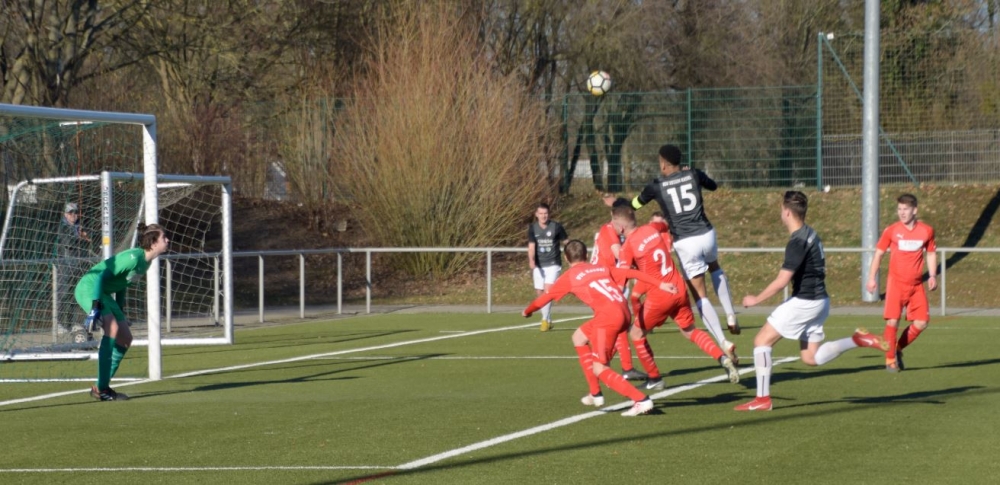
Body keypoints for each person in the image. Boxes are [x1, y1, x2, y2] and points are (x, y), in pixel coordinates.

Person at [736, 191, 888, 411]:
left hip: (805, 302)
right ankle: (857, 340)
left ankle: (762, 399)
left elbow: (782, 281)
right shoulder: (811, 233)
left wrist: (755, 299)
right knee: (811, 357)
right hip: (820, 302)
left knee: (761, 341)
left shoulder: (797, 241)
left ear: (787, 212)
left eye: (781, 209)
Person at [522, 239, 679, 417]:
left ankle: (641, 400)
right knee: (578, 337)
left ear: (566, 258)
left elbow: (545, 298)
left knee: (600, 368)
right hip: (623, 312)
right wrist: (660, 284)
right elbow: (631, 272)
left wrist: (528, 311)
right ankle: (595, 393)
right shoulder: (600, 268)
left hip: (607, 318)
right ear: (586, 255)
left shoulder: (569, 276)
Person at [630, 145, 740, 365]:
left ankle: (722, 341)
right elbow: (713, 186)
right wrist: (694, 174)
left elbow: (635, 204)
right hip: (707, 234)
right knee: (715, 267)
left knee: (700, 296)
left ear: (663, 163)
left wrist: (622, 203)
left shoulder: (656, 186)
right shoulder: (694, 174)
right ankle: (730, 313)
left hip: (686, 242)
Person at [612, 205, 740, 389]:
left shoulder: (627, 247)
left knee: (636, 334)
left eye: (613, 223)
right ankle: (722, 358)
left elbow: (622, 279)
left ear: (621, 227)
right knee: (690, 331)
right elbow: (664, 226)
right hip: (678, 288)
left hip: (660, 294)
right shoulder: (651, 229)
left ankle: (655, 379)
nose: (613, 227)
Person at [75, 223, 170, 401]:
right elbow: (100, 277)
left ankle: (101, 387)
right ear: (153, 242)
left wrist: (121, 313)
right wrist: (95, 308)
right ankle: (101, 389)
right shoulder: (133, 258)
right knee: (112, 329)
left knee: (125, 338)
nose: (167, 240)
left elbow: (122, 284)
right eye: (164, 237)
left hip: (103, 293)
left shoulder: (146, 263)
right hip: (90, 288)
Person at [865, 193, 937, 373]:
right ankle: (890, 360)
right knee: (893, 322)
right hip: (896, 284)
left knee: (922, 322)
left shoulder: (926, 231)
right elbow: (879, 254)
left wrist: (932, 275)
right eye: (899, 209)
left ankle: (896, 348)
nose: (902, 212)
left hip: (916, 286)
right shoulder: (891, 230)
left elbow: (930, 253)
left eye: (906, 209)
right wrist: (871, 278)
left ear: (915, 210)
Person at [592, 196, 647, 381]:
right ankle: (603, 364)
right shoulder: (608, 230)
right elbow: (618, 253)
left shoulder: (619, 231)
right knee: (615, 325)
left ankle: (618, 366)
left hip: (611, 282)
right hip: (602, 283)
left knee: (620, 324)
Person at [527, 202, 568, 331]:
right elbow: (531, 247)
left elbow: (567, 242)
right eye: (541, 213)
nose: (543, 216)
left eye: (545, 213)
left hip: (553, 264)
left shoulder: (556, 227)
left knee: (548, 291)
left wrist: (570, 255)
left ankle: (544, 320)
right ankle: (548, 318)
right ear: (536, 214)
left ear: (549, 214)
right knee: (540, 292)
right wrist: (531, 260)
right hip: (539, 265)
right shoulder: (533, 228)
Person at [55, 202, 93, 338]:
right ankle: (59, 323)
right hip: (65, 265)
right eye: (70, 213)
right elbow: (68, 243)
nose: (73, 215)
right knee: (63, 293)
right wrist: (80, 236)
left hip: (78, 265)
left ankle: (70, 322)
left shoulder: (80, 226)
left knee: (74, 295)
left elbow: (90, 241)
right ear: (65, 214)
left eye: (75, 212)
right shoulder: (63, 227)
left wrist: (85, 236)